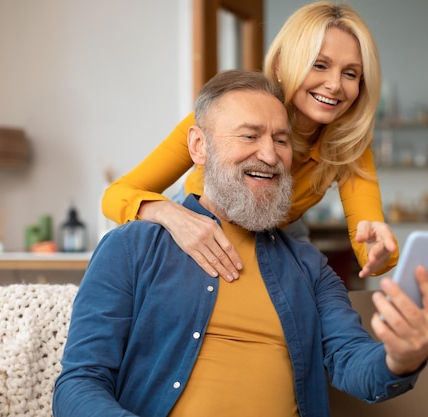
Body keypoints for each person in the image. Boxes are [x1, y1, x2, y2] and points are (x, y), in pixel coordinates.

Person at [53, 70, 428, 417]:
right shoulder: (130, 249)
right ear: (198, 146)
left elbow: (352, 362)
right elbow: (78, 386)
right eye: (249, 135)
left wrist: (402, 356)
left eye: (281, 140)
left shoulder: (309, 267)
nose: (270, 155)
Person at [101, 1, 399, 282]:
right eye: (319, 65)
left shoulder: (348, 145)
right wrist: (171, 215)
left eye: (350, 73)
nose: (335, 85)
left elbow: (369, 240)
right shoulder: (223, 113)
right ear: (282, 66)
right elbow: (116, 194)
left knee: (313, 294)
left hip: (276, 231)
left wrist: (378, 252)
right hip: (200, 219)